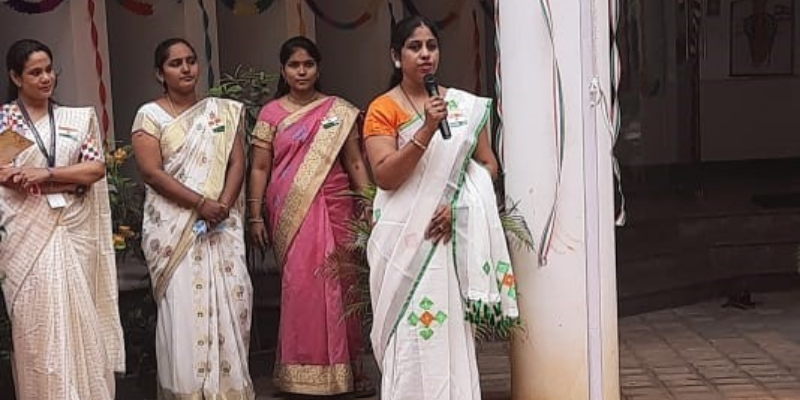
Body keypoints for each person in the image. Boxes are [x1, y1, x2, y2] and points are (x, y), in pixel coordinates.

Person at [364, 16, 520, 400]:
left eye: (431, 46)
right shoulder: (383, 108)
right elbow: (385, 175)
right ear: (396, 56)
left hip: (447, 238)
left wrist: (459, 205)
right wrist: (426, 129)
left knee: (448, 330)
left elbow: (488, 165)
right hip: (402, 240)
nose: (425, 54)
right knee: (407, 333)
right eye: (414, 47)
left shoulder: (463, 107)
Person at [247, 36, 372, 396]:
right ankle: (299, 374)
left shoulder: (338, 111)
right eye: (294, 65)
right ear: (283, 70)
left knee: (342, 286)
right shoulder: (271, 114)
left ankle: (350, 372)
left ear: (318, 68)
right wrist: (254, 214)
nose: (301, 71)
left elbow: (355, 162)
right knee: (301, 288)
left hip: (336, 206)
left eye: (308, 64)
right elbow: (259, 167)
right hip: (291, 211)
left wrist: (369, 203)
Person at [0, 38, 124, 399]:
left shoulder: (76, 119)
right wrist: (63, 180)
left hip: (73, 228)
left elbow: (95, 169)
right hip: (26, 234)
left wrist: (47, 175)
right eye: (35, 72)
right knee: (36, 327)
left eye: (49, 70)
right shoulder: (7, 121)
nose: (46, 78)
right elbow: (3, 171)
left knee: (81, 317)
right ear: (16, 77)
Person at [131, 38, 254, 399]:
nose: (185, 68)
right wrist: (201, 203)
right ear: (160, 73)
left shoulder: (222, 112)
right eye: (175, 63)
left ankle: (230, 389)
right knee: (184, 310)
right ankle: (186, 391)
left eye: (190, 60)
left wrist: (222, 206)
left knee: (233, 301)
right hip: (175, 229)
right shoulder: (149, 116)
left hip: (221, 224)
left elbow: (237, 162)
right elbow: (151, 172)